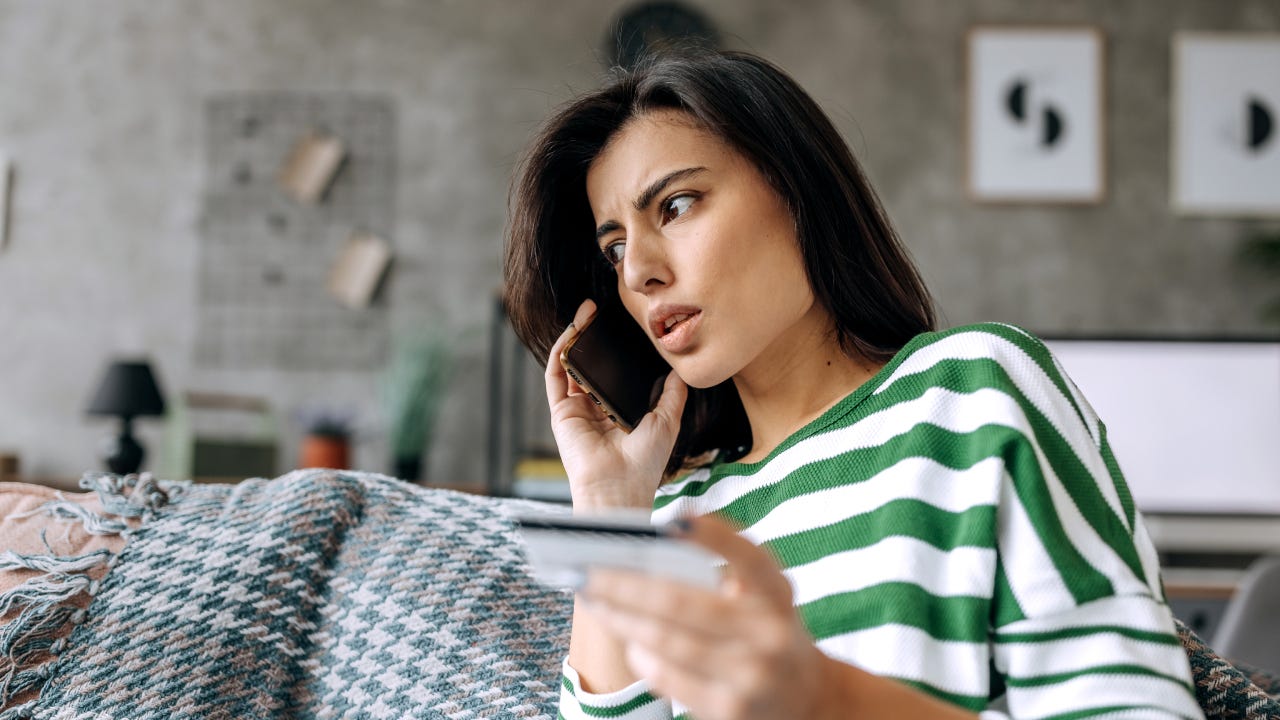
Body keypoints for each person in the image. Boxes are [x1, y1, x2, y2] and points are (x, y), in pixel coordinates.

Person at [503, 49, 1202, 720]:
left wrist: (827, 700)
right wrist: (610, 507)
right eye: (615, 247)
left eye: (678, 206)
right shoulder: (678, 512)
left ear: (798, 193)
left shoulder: (970, 394)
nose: (638, 273)